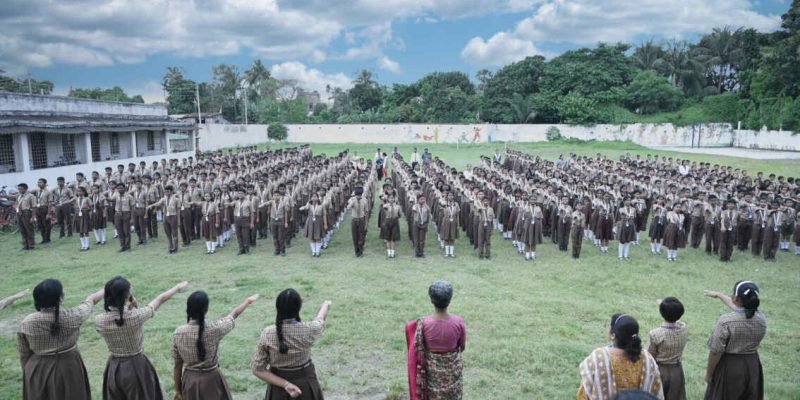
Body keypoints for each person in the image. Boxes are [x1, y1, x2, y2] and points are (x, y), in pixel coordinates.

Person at [95, 277, 189, 400]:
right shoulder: (136, 316)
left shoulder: (99, 320)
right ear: (126, 296)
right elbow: (159, 299)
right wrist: (177, 287)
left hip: (114, 367)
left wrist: (128, 307)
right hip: (136, 365)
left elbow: (119, 318)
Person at [17, 279, 104, 400]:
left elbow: (24, 354)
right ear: (61, 297)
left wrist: (29, 374)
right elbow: (90, 301)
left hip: (37, 368)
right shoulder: (74, 316)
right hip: (69, 366)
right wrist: (105, 290)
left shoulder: (27, 322)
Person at [172, 291, 259, 400]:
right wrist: (247, 302)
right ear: (206, 309)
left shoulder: (178, 333)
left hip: (190, 381)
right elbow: (233, 315)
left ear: (188, 309)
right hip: (212, 380)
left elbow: (177, 366)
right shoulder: (215, 329)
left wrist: (177, 390)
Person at [252, 289, 332, 400]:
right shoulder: (309, 330)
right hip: (306, 384)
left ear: (277, 308)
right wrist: (325, 306)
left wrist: (285, 384)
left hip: (278, 386)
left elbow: (258, 369)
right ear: (298, 308)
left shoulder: (268, 333)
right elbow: (320, 320)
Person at [703, 281, 766, 400]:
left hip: (730, 366)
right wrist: (719, 295)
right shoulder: (761, 319)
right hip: (752, 364)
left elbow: (715, 352)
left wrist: (709, 375)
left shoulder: (726, 322)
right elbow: (741, 309)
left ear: (735, 297)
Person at [578, 314, 664, 400]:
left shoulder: (599, 357)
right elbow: (655, 388)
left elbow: (586, 388)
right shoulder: (646, 358)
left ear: (613, 335)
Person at [406, 281, 466, 400]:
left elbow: (419, 348)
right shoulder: (459, 322)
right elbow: (462, 347)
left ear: (431, 300)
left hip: (431, 374)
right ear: (450, 299)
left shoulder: (424, 324)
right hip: (452, 374)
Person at [648, 298, 688, 400]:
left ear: (661, 313)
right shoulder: (684, 328)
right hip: (677, 369)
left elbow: (650, 356)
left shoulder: (655, 334)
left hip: (660, 369)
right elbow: (677, 318)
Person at [299, 192, 327, 257]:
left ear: (318, 198)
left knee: (318, 237)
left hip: (318, 221)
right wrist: (303, 207)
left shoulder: (321, 205)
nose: (314, 198)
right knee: (311, 237)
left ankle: (318, 252)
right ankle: (313, 251)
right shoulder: (309, 204)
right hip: (310, 221)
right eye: (313, 197)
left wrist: (325, 224)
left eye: (315, 197)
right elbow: (305, 208)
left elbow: (324, 215)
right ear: (311, 198)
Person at [14, 183, 38, 250]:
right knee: (22, 230)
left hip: (27, 213)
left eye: (20, 189)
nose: (19, 190)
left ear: (25, 189)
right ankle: (25, 245)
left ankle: (31, 245)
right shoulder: (18, 196)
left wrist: (33, 217)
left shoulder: (31, 196)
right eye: (18, 189)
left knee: (29, 230)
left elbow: (34, 207)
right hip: (19, 213)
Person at [348, 186, 369, 257]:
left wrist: (366, 223)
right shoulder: (352, 200)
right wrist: (352, 202)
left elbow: (366, 212)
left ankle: (361, 250)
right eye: (357, 195)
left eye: (360, 195)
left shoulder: (365, 200)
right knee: (355, 236)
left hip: (361, 219)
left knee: (361, 236)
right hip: (354, 219)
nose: (358, 196)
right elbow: (349, 207)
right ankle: (356, 251)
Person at [381, 194, 402, 258]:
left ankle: (392, 253)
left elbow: (399, 215)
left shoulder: (397, 206)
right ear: (388, 199)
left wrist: (396, 218)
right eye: (390, 198)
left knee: (393, 238)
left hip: (395, 221)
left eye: (393, 198)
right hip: (388, 221)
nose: (391, 199)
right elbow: (385, 214)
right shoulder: (385, 206)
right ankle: (389, 252)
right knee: (388, 238)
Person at [74, 186, 92, 252]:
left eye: (80, 191)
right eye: (78, 191)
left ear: (84, 192)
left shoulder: (87, 198)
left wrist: (87, 211)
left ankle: (87, 246)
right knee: (80, 230)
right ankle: (83, 245)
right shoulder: (76, 199)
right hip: (78, 214)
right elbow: (72, 203)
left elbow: (91, 206)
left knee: (85, 230)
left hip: (85, 214)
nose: (79, 192)